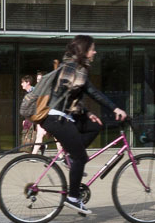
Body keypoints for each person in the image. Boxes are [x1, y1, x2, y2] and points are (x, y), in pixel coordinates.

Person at [39, 35, 128, 214]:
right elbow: (91, 92)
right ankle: (72, 198)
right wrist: (115, 108)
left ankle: (70, 158)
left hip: (63, 117)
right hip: (57, 118)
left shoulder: (74, 68)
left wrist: (87, 113)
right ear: (84, 50)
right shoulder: (74, 69)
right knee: (81, 157)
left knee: (95, 125)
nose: (94, 52)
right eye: (92, 49)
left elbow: (70, 96)